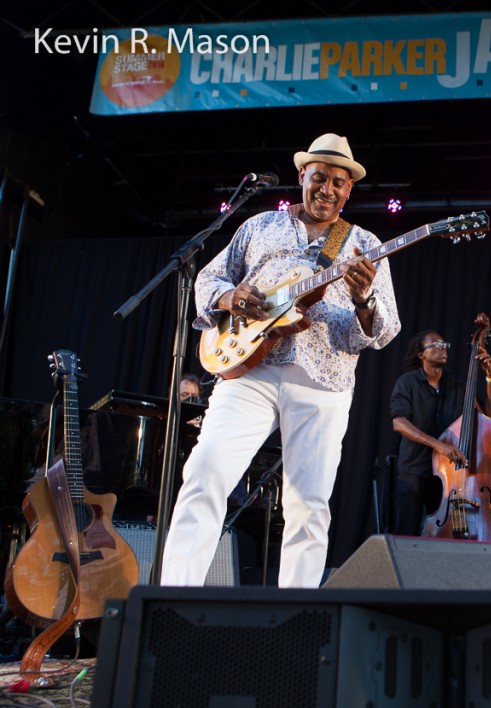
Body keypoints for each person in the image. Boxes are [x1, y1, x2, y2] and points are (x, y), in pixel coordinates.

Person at [161, 133, 401, 588]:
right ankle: (171, 602)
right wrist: (232, 296)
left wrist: (364, 298)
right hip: (249, 372)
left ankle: (298, 622)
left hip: (323, 384)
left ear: (349, 190)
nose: (327, 189)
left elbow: (383, 331)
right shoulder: (257, 227)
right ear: (301, 177)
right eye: (319, 178)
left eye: (337, 182)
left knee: (308, 505)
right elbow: (209, 278)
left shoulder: (365, 245)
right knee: (204, 472)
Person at [390, 319, 491, 536]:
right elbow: (399, 423)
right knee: (406, 532)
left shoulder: (457, 386)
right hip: (414, 470)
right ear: (421, 355)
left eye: (444, 345)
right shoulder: (407, 383)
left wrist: (489, 377)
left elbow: (489, 420)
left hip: (449, 476)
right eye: (435, 345)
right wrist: (440, 446)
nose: (442, 349)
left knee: (446, 534)